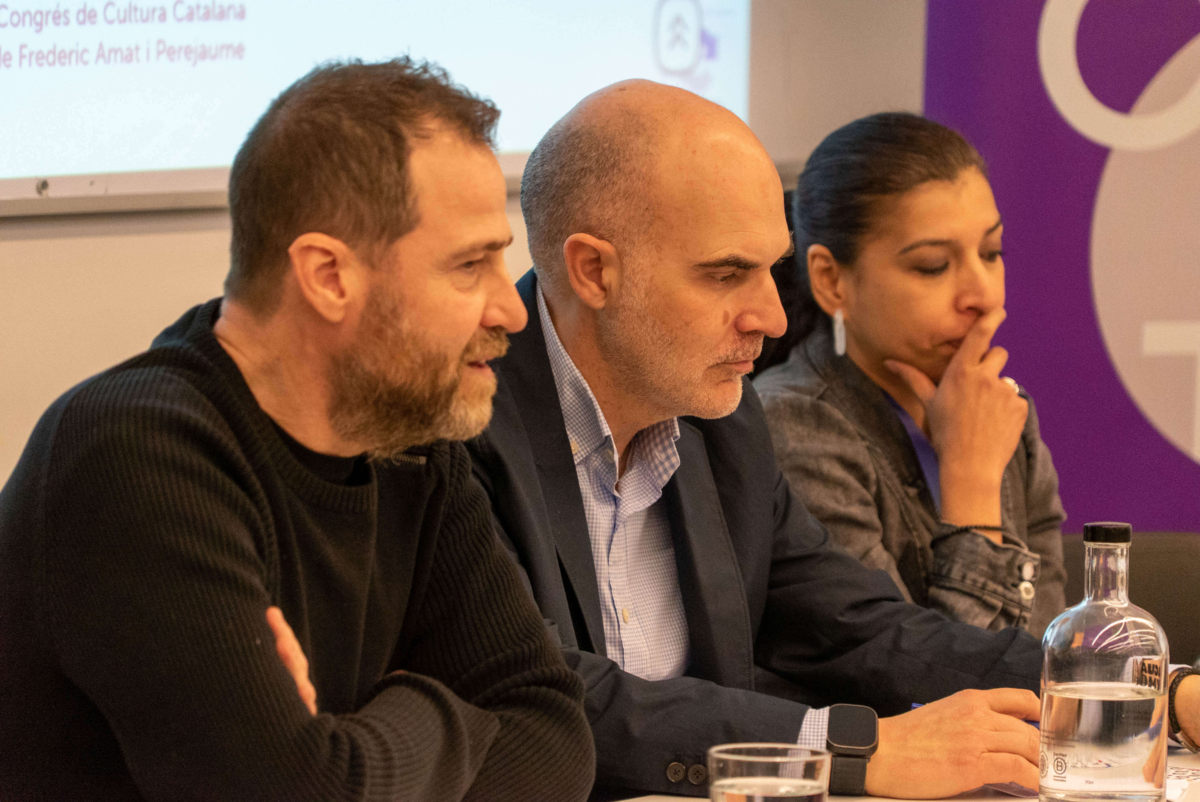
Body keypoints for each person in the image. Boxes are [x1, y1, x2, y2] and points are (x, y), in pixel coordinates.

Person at [0, 59, 594, 801]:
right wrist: (443, 711)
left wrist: (351, 742)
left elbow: (556, 740)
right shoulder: (135, 455)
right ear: (328, 277)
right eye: (470, 265)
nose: (511, 310)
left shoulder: (408, 443)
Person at [468, 79, 1054, 801]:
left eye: (773, 270)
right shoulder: (461, 424)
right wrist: (846, 750)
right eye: (727, 274)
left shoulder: (724, 423)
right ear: (594, 271)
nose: (773, 318)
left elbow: (854, 627)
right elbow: (544, 690)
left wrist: (1118, 684)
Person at [753, 113, 1067, 637]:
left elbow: (1051, 650)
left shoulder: (1002, 409)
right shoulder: (792, 423)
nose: (982, 294)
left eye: (991, 253)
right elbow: (909, 672)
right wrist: (971, 484)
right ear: (831, 280)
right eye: (933, 266)